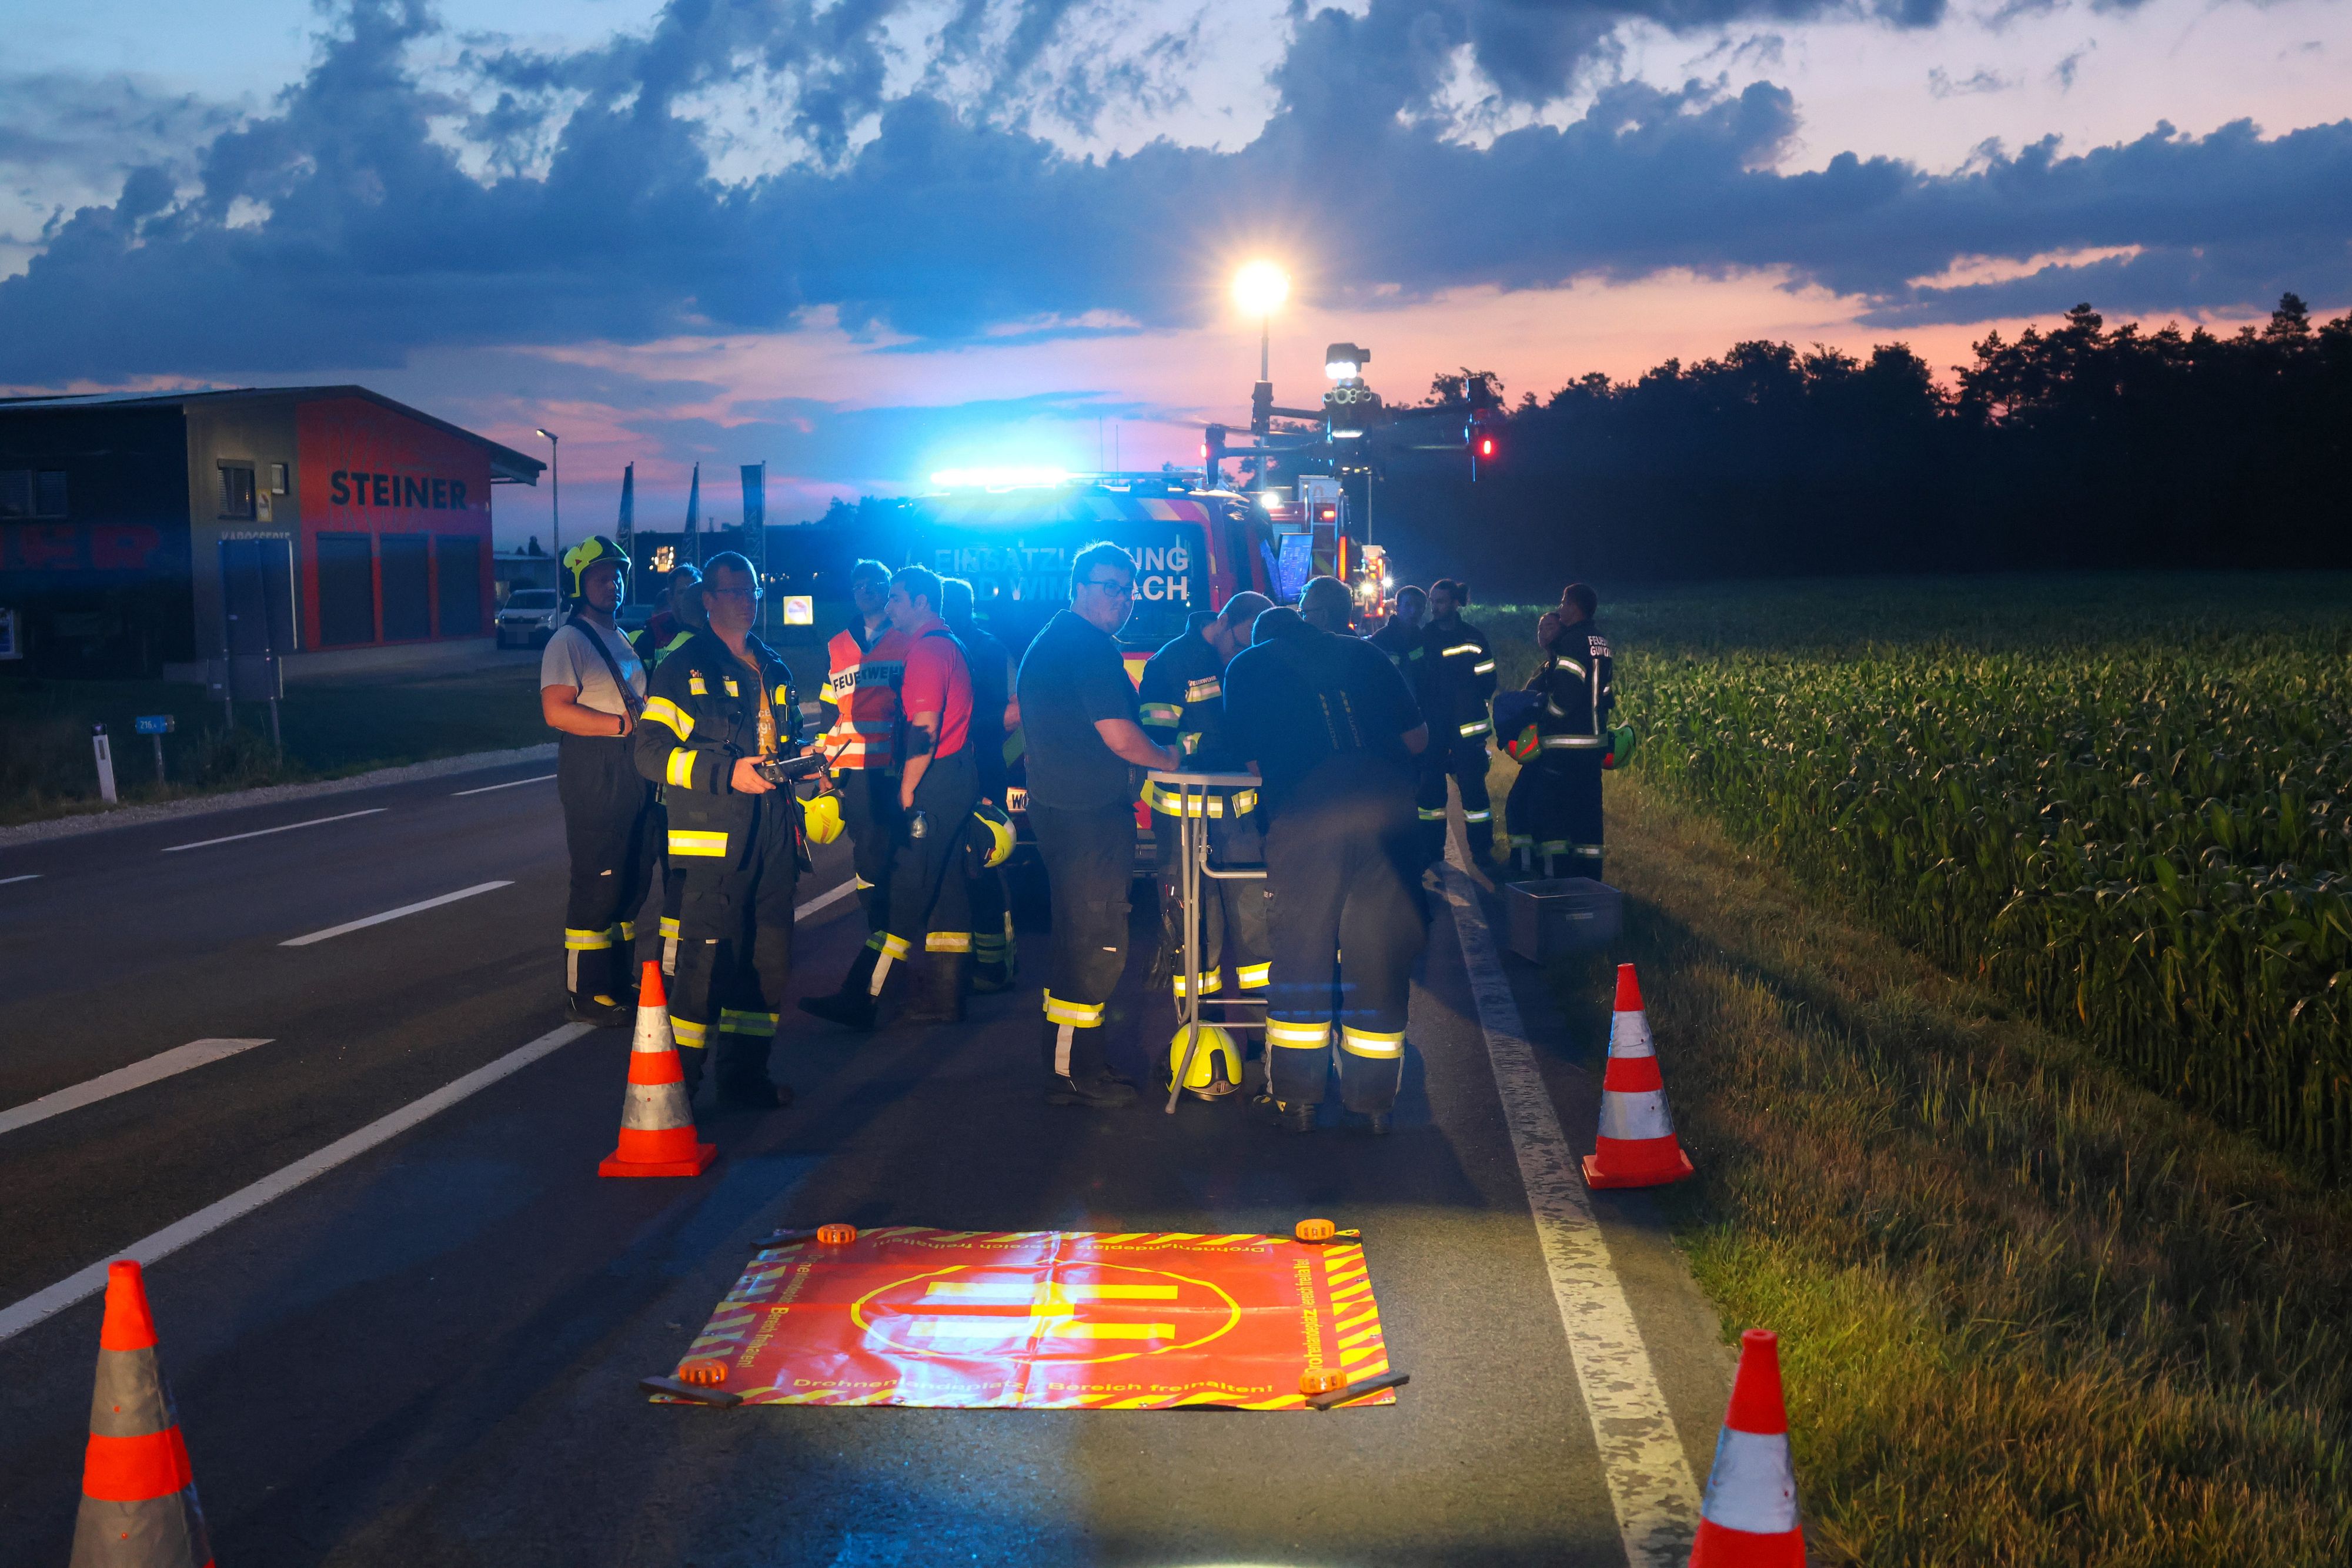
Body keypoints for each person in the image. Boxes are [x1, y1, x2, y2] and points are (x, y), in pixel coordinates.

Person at [1225, 576, 1428, 1134]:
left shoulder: (1248, 667)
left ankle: (1297, 1100)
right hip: (1390, 813)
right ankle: (1374, 1106)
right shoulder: (1369, 655)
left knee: (1302, 953)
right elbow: (1417, 740)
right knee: (1377, 956)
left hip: (1309, 818)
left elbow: (1248, 764)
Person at [632, 552, 805, 1108]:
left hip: (775, 835)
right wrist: (725, 772)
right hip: (713, 844)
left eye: (752, 589)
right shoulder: (683, 667)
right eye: (733, 591)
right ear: (707, 599)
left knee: (768, 961)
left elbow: (788, 745)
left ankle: (745, 1078)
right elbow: (650, 753)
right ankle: (675, 1092)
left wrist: (814, 770)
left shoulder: (773, 666)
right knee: (704, 966)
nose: (746, 599)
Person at [1015, 542, 1182, 1108]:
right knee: (1092, 945)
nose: (1125, 598)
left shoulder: (1059, 640)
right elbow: (1119, 736)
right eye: (1113, 586)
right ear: (1080, 585)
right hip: (1087, 818)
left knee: (1079, 942)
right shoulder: (1087, 648)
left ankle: (1078, 1063)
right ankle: (1073, 1073)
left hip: (1069, 813)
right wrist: (1170, 758)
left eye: (1130, 588)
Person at [540, 535, 657, 1026]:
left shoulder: (620, 636)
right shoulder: (569, 640)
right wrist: (620, 727)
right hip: (597, 766)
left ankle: (616, 977)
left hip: (634, 766)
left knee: (631, 878)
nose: (613, 585)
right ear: (579, 584)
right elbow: (555, 710)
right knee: (599, 879)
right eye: (602, 577)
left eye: (618, 576)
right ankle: (585, 993)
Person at [856, 566, 980, 1025]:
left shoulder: (927, 651)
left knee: (906, 885)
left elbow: (924, 729)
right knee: (947, 887)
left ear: (922, 602)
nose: (888, 607)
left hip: (934, 779)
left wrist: (907, 788)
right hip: (956, 775)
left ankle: (866, 994)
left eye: (896, 598)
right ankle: (947, 996)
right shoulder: (948, 643)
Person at [1137, 591, 1272, 1005]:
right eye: (1242, 638)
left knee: (1255, 915)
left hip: (1237, 811)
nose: (1244, 651)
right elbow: (1155, 737)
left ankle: (1266, 1018)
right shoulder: (1170, 663)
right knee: (1195, 921)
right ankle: (1198, 1029)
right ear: (1224, 620)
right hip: (1185, 811)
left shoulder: (1241, 659)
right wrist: (1210, 744)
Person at [800, 560, 904, 1026]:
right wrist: (823, 766)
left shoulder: (906, 637)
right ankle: (877, 922)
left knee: (886, 857)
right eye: (858, 584)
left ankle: (885, 932)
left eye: (876, 585)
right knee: (865, 856)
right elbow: (828, 711)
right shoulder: (837, 644)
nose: (866, 591)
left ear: (888, 590)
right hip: (850, 772)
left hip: (892, 768)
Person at [942, 577, 1022, 992]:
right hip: (966, 766)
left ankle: (995, 965)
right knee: (966, 867)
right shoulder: (950, 645)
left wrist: (969, 729)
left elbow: (1014, 711)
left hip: (981, 766)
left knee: (983, 863)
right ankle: (985, 961)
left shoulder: (987, 648)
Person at [1517, 583, 1615, 881]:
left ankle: (1556, 879)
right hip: (1594, 743)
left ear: (1575, 607)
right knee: (1588, 819)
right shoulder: (1601, 642)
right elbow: (1607, 694)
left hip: (1566, 745)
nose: (1560, 609)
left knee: (1555, 815)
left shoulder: (1572, 642)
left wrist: (1545, 718)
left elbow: (1566, 696)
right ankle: (1589, 878)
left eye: (1563, 603)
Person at [1415, 578, 1501, 865]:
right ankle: (1431, 851)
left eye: (1440, 601)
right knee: (1430, 795)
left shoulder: (1475, 639)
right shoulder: (1423, 637)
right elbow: (1416, 679)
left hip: (1468, 729)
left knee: (1474, 791)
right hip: (1434, 729)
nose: (1434, 607)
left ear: (1454, 603)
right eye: (1432, 601)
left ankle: (1482, 850)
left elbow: (1489, 680)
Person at [633, 565, 702, 667]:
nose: (690, 597)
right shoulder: (654, 632)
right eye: (682, 592)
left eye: (695, 591)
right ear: (670, 598)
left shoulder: (717, 629)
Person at [1365, 584, 1426, 671]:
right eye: (1408, 605)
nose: (1414, 611)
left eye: (1418, 606)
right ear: (1398, 608)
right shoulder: (1380, 639)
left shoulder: (1424, 640)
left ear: (1424, 609)